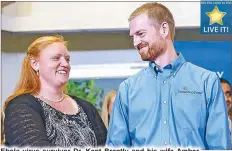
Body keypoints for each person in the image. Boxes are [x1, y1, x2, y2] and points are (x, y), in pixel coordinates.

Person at [106, 2, 230, 149]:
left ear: (164, 29)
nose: (135, 42)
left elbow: (219, 146)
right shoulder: (127, 89)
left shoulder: (207, 82)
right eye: (132, 37)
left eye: (140, 34)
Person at [3, 35, 107, 147]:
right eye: (56, 58)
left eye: (67, 59)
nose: (65, 64)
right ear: (35, 64)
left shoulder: (87, 108)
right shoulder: (20, 107)